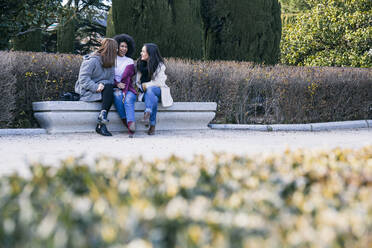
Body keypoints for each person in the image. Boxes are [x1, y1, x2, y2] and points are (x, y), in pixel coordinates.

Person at [75, 38, 117, 136]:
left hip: (104, 90)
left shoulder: (110, 63)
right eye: (115, 49)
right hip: (87, 91)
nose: (117, 51)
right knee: (109, 89)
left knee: (110, 87)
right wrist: (96, 86)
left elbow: (110, 80)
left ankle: (102, 118)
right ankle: (101, 122)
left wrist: (103, 84)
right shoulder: (92, 60)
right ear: (110, 50)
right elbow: (83, 79)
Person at [136, 43, 173, 135]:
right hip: (146, 93)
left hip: (159, 90)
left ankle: (148, 111)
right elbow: (137, 82)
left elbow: (159, 82)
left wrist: (145, 85)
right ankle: (152, 124)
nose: (141, 53)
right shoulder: (140, 64)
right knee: (153, 99)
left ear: (150, 53)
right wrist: (142, 87)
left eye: (143, 51)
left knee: (151, 89)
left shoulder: (160, 66)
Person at [112, 34, 136, 137]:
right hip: (115, 88)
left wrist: (124, 91)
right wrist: (117, 84)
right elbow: (108, 76)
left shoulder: (129, 61)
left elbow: (127, 78)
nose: (124, 49)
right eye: (122, 46)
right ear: (117, 47)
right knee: (117, 96)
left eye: (126, 47)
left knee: (127, 100)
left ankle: (131, 124)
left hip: (128, 89)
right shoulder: (111, 59)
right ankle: (127, 123)